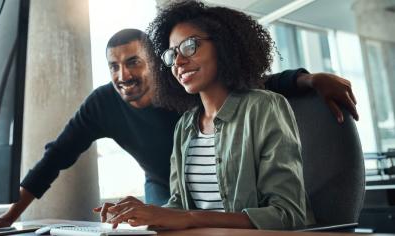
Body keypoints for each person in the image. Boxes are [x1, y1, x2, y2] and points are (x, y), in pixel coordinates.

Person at [0, 23, 355, 234]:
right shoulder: (102, 104)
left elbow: (254, 83)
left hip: (227, 187)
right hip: (167, 186)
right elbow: (56, 155)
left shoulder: (181, 86)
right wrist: (10, 215)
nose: (123, 75)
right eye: (113, 66)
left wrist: (309, 79)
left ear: (153, 64)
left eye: (133, 62)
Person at [94, 1, 316, 230]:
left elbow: (288, 215)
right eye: (172, 54)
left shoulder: (264, 107)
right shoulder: (185, 125)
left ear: (222, 45)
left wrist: (192, 217)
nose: (178, 61)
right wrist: (143, 213)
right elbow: (179, 206)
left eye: (190, 46)